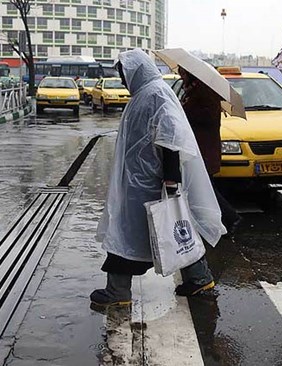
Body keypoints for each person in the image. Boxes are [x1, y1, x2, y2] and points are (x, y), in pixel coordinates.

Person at [90, 49, 226, 308]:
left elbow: (171, 136)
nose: (122, 79)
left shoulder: (155, 95)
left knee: (130, 232)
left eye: (123, 73)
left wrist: (171, 178)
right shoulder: (146, 94)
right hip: (140, 180)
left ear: (136, 71)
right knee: (172, 228)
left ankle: (117, 290)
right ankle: (199, 278)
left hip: (147, 181)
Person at [177, 66, 242, 233]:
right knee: (204, 186)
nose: (181, 77)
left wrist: (185, 111)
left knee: (206, 187)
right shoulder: (194, 90)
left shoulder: (204, 92)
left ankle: (231, 217)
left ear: (192, 75)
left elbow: (208, 117)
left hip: (204, 148)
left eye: (183, 74)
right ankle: (220, 220)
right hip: (199, 146)